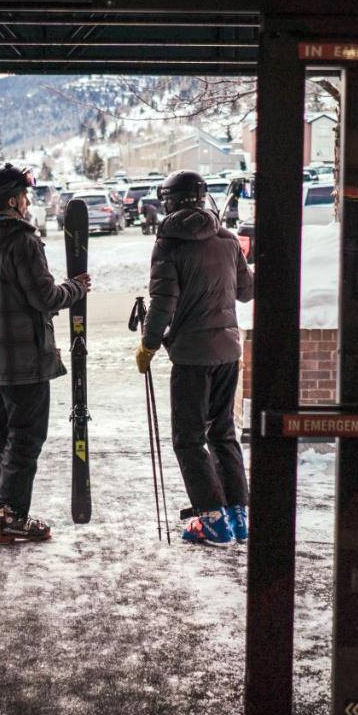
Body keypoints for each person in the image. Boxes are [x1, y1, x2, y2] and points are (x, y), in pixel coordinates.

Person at [0, 163, 93, 545]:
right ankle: (11, 516)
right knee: (25, 438)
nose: (28, 203)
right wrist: (76, 288)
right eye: (26, 196)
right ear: (15, 200)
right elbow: (45, 297)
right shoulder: (23, 241)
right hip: (25, 360)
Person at [135, 169, 254, 546]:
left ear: (168, 200)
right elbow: (247, 292)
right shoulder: (227, 238)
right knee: (222, 434)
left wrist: (149, 344)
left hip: (191, 355)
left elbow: (163, 302)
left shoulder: (169, 242)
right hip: (228, 350)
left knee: (187, 439)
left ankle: (212, 520)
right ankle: (239, 515)